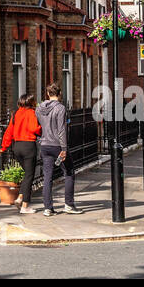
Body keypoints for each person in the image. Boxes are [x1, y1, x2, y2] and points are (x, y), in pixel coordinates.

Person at [36, 83, 82, 216]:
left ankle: (48, 208)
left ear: (47, 94)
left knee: (47, 177)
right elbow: (62, 130)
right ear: (60, 94)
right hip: (57, 145)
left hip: (44, 145)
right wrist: (64, 148)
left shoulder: (39, 109)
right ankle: (69, 204)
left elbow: (39, 125)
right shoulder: (60, 108)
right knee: (69, 172)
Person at [0, 93, 42, 214]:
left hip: (16, 147)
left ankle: (21, 197)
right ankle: (24, 206)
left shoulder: (16, 114)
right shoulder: (32, 113)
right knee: (29, 176)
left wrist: (4, 147)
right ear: (31, 102)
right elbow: (34, 128)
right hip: (28, 146)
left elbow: (9, 131)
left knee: (27, 174)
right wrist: (41, 129)